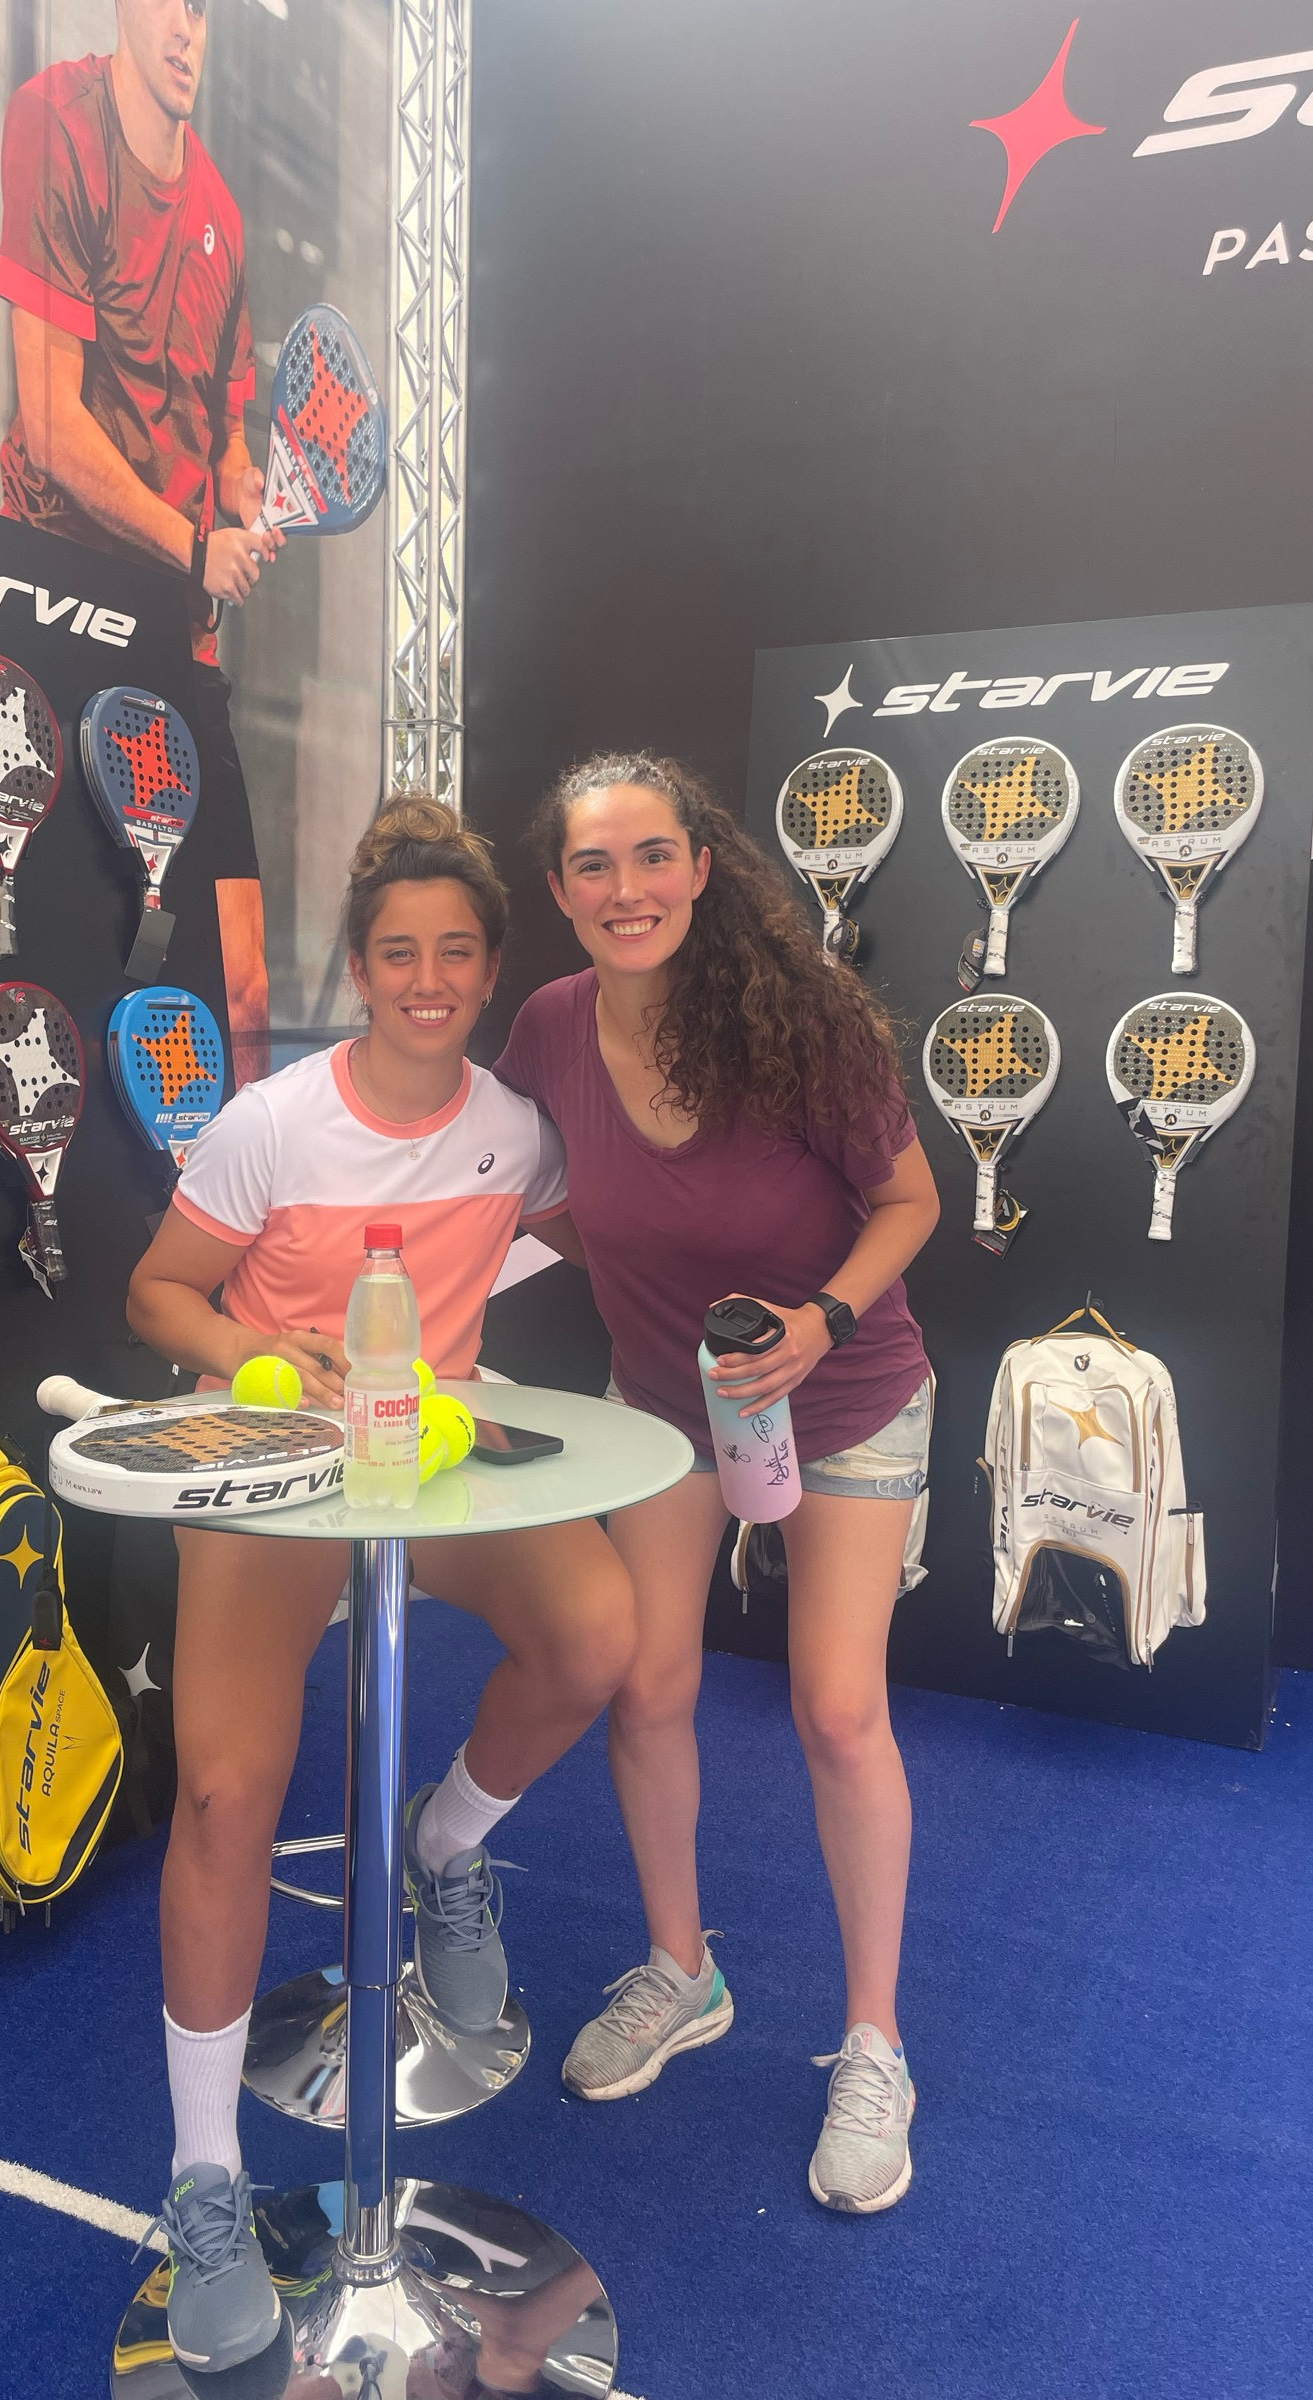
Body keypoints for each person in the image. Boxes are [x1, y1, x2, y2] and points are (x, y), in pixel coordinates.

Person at [125, 796, 637, 2371]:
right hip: (272, 1485)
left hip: (424, 1464)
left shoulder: (516, 1130)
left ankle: (447, 1843)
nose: (427, 979)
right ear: (359, 967)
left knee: (596, 1633)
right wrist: (256, 1350)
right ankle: (205, 2183)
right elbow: (158, 1293)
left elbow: (614, 1235)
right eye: (399, 952)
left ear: (488, 970)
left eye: (456, 953)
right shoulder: (271, 1123)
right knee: (226, 1797)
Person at [494, 752, 941, 2216]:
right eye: (594, 866)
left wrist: (822, 1320)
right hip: (665, 1407)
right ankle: (682, 1972)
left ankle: (874, 2045)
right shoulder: (549, 1028)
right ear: (561, 890)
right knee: (648, 1684)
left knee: (837, 1710)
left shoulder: (802, 1018)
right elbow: (511, 1177)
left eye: (652, 857)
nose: (626, 889)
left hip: (850, 1395)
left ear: (699, 866)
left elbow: (911, 1199)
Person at [0, 0, 279, 822]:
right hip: (55, 605)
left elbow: (226, 436)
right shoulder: (55, 121)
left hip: (177, 634)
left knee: (234, 912)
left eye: (202, 8)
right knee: (50, 900)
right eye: (169, 2)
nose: (187, 30)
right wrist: (197, 550)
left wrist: (242, 490)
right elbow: (50, 430)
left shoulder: (223, 215)